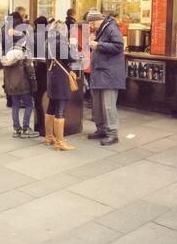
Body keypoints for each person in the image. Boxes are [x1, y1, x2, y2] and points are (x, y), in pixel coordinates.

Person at [86, 9, 126, 146]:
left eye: (91, 23)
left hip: (110, 73)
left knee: (108, 105)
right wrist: (93, 43)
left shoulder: (111, 28)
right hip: (99, 72)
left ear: (97, 20)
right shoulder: (101, 30)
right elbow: (102, 49)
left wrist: (98, 44)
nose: (91, 26)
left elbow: (119, 46)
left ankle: (113, 134)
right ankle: (101, 129)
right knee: (97, 105)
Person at [45, 22, 78, 151]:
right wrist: (74, 45)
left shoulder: (48, 41)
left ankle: (49, 137)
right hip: (61, 79)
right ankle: (60, 141)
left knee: (51, 106)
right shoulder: (61, 42)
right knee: (60, 109)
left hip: (52, 77)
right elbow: (72, 58)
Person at [1, 41, 39, 139]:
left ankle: (16, 129)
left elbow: (5, 76)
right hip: (23, 86)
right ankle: (26, 128)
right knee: (29, 105)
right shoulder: (24, 58)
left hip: (12, 87)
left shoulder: (7, 59)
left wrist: (6, 87)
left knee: (15, 106)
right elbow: (31, 73)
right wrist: (34, 86)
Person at [33, 16, 48, 136]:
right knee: (48, 100)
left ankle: (39, 126)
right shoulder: (50, 37)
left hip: (36, 71)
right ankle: (46, 126)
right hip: (48, 71)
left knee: (37, 100)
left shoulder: (31, 36)